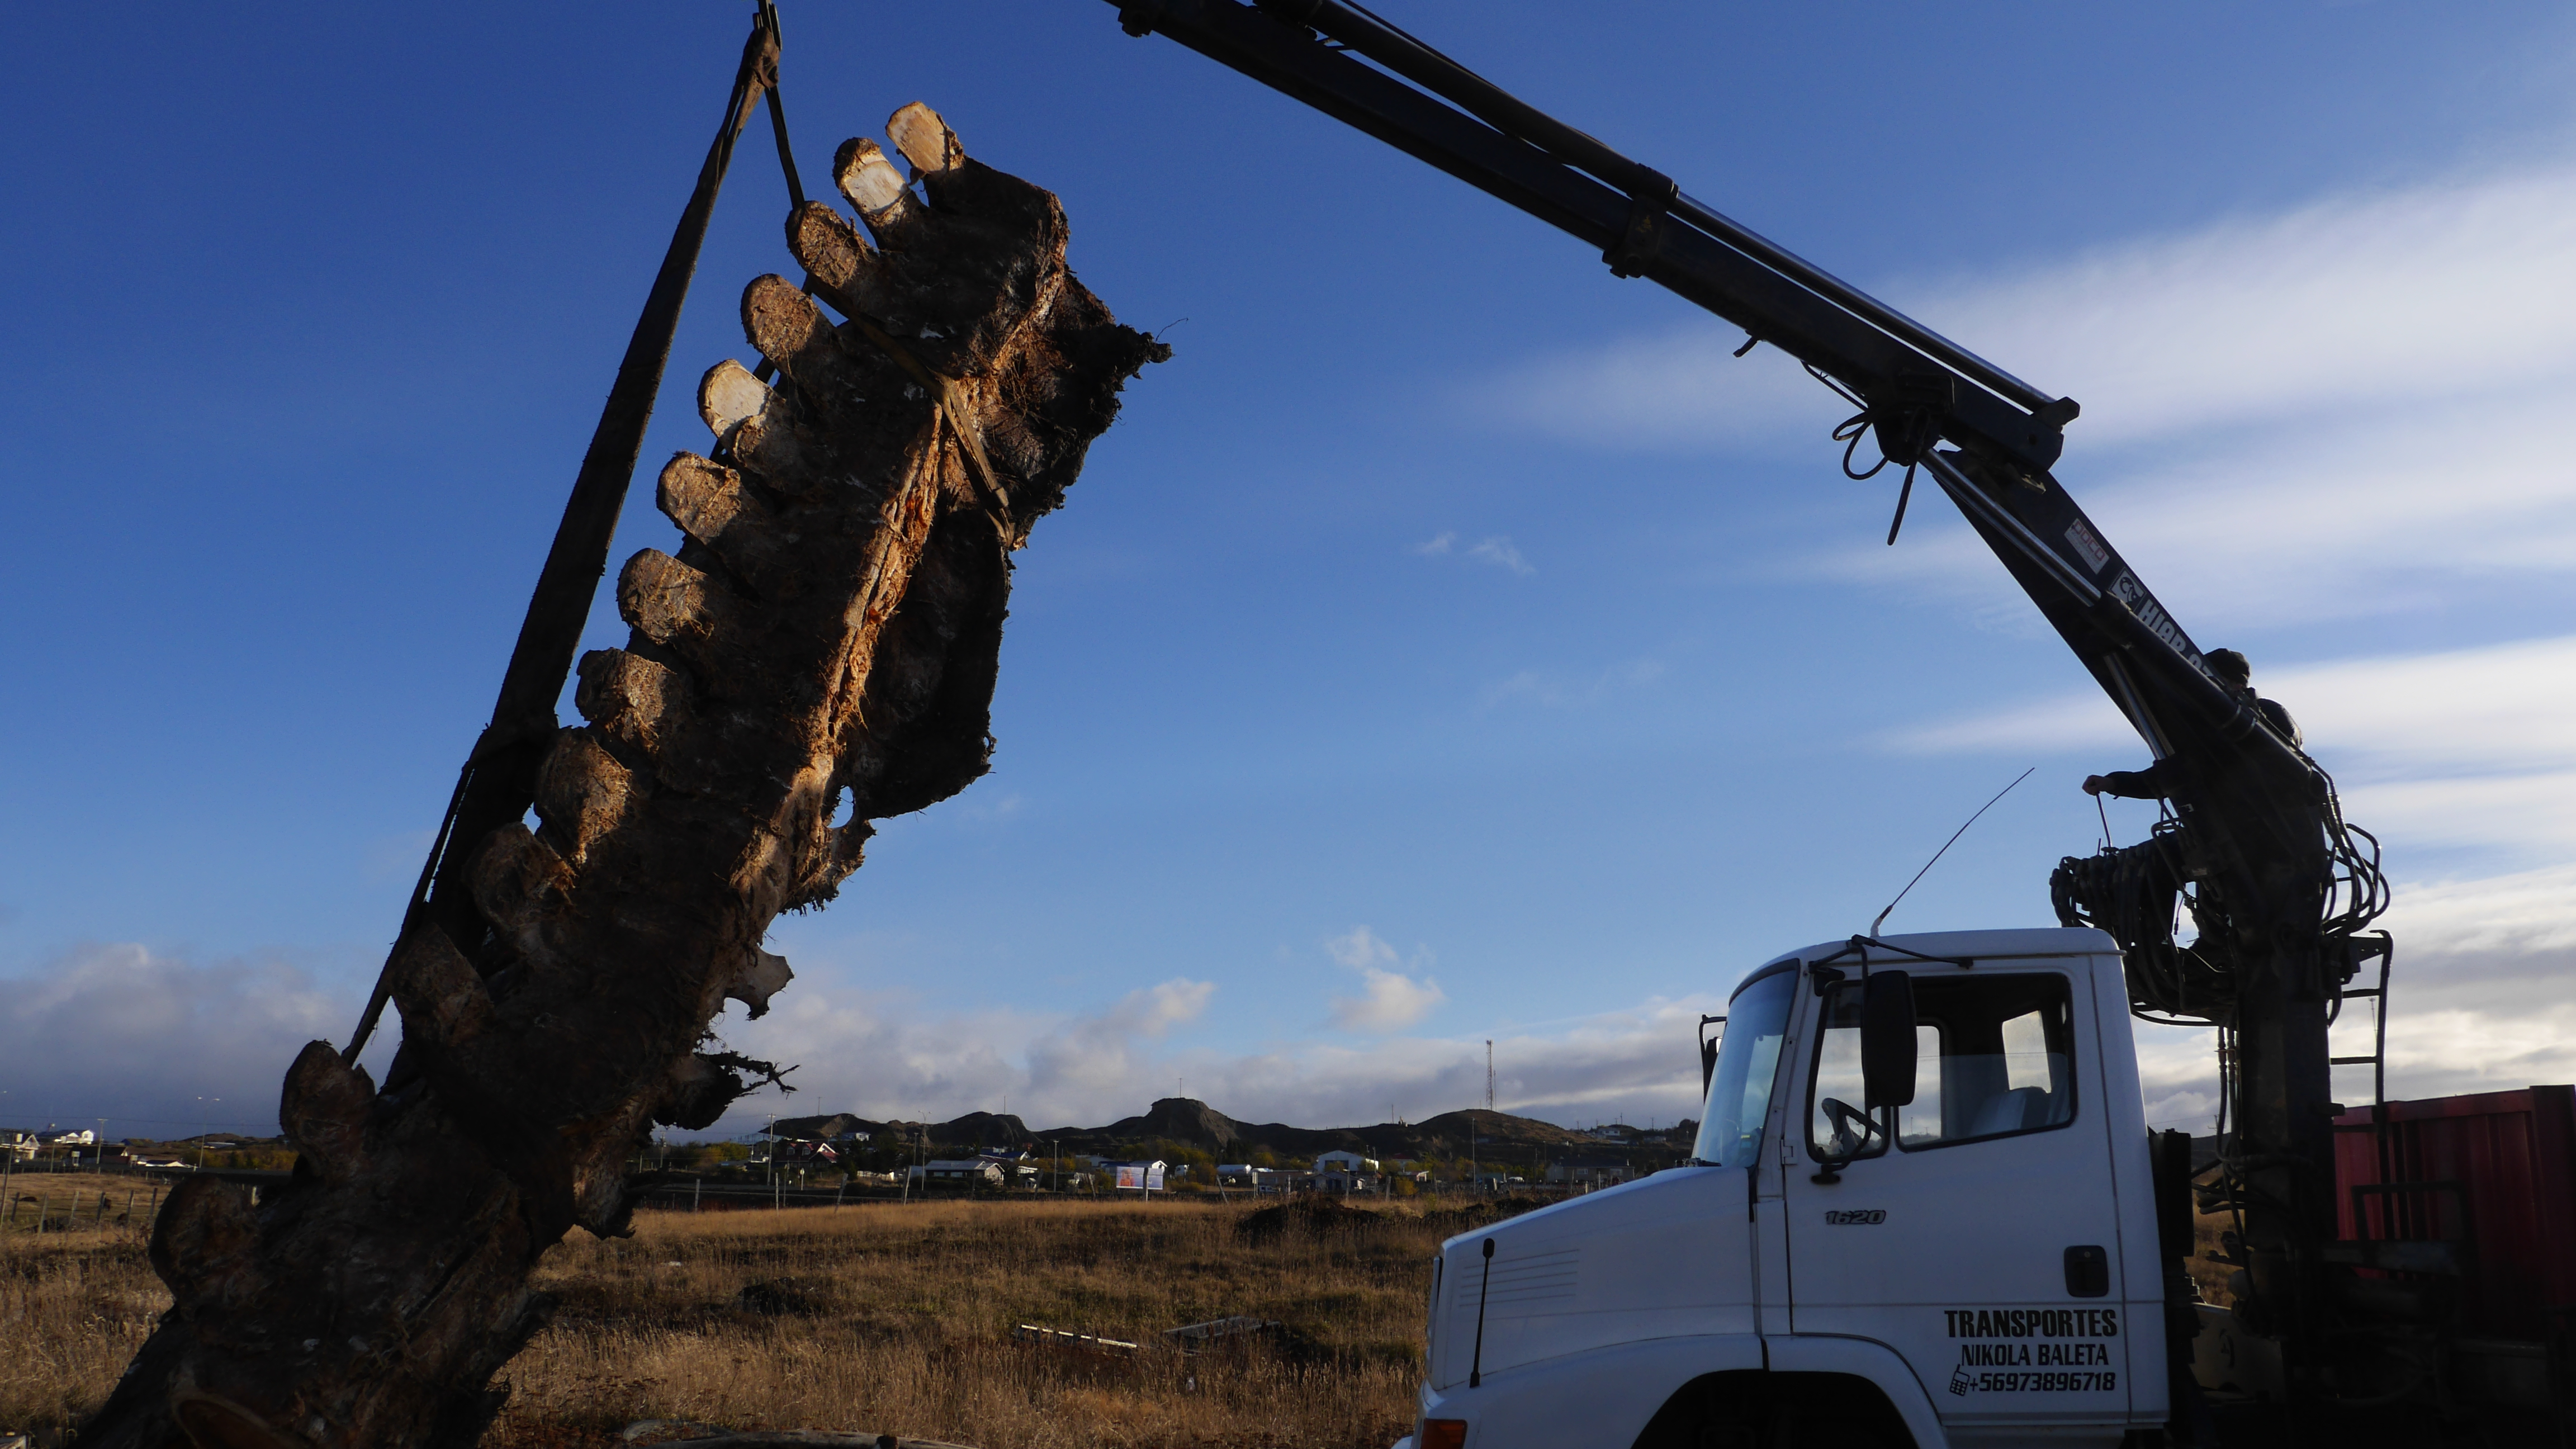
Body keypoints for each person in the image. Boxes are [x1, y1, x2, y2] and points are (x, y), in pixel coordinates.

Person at [2082, 648, 2300, 799]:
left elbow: (2287, 755)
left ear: (2237, 685)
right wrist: (2113, 783)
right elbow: (2172, 775)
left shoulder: (2270, 714)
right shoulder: (2204, 732)